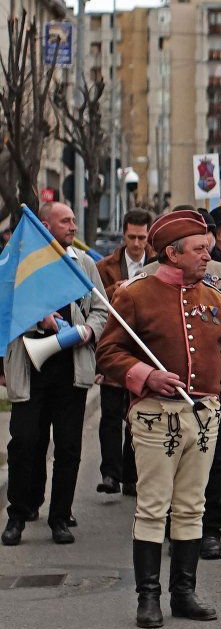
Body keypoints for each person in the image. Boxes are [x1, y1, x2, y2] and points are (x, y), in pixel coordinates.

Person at [96, 210, 221, 628]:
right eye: (199, 250)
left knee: (191, 507)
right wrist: (146, 375)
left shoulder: (218, 301)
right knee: (152, 506)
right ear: (172, 252)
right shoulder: (134, 296)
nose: (207, 256)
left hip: (204, 416)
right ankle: (148, 597)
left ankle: (184, 592)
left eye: (208, 249)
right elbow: (108, 353)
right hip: (152, 416)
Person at [1, 203, 110, 547]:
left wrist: (88, 332)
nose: (73, 226)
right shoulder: (19, 266)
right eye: (65, 221)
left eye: (75, 220)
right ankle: (18, 513)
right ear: (44, 225)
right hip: (30, 370)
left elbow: (101, 310)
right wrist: (38, 317)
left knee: (68, 448)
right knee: (24, 443)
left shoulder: (83, 265)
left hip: (70, 370)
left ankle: (60, 518)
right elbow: (6, 312)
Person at [95, 208, 153, 497]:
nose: (137, 244)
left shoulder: (156, 263)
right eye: (131, 237)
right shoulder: (106, 265)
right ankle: (110, 473)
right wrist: (113, 290)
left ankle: (131, 476)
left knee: (137, 417)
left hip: (144, 350)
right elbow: (91, 301)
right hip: (115, 346)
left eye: (142, 237)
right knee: (109, 415)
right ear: (124, 235)